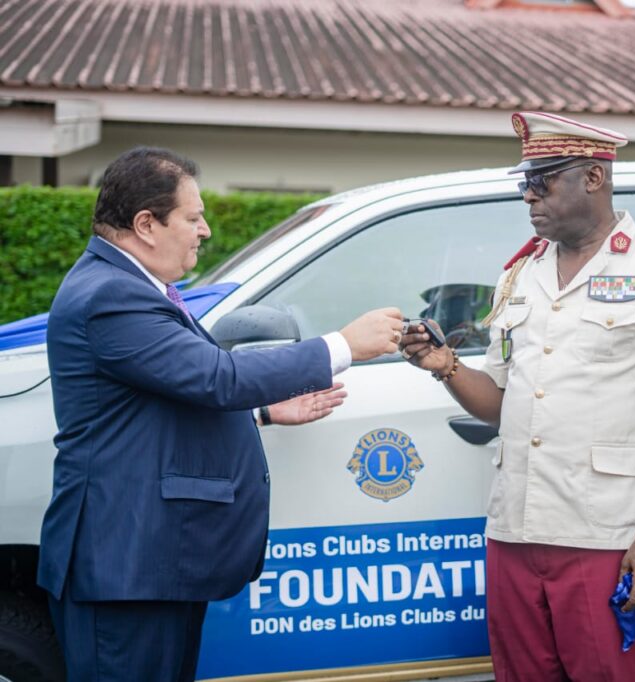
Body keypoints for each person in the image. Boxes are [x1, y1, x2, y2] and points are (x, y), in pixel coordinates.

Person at [39, 147, 405, 681]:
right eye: (193, 217)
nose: (204, 230)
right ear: (146, 224)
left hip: (146, 562)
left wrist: (261, 415)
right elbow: (215, 377)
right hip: (124, 565)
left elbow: (155, 403)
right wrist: (343, 345)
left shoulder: (129, 286)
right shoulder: (110, 295)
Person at [400, 111, 635, 681]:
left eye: (542, 179)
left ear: (593, 178)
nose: (528, 195)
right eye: (524, 182)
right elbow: (500, 401)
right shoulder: (520, 275)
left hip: (605, 533)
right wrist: (445, 367)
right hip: (516, 528)